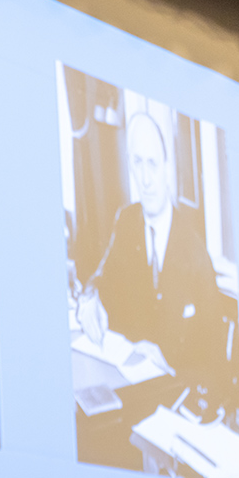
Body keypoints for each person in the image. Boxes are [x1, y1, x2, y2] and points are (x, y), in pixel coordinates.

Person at [76, 112, 224, 377]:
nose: (145, 179)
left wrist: (171, 367)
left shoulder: (195, 251)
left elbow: (215, 363)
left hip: (175, 393)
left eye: (153, 164)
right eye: (138, 163)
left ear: (168, 167)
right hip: (128, 382)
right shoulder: (127, 221)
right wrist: (90, 298)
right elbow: (101, 275)